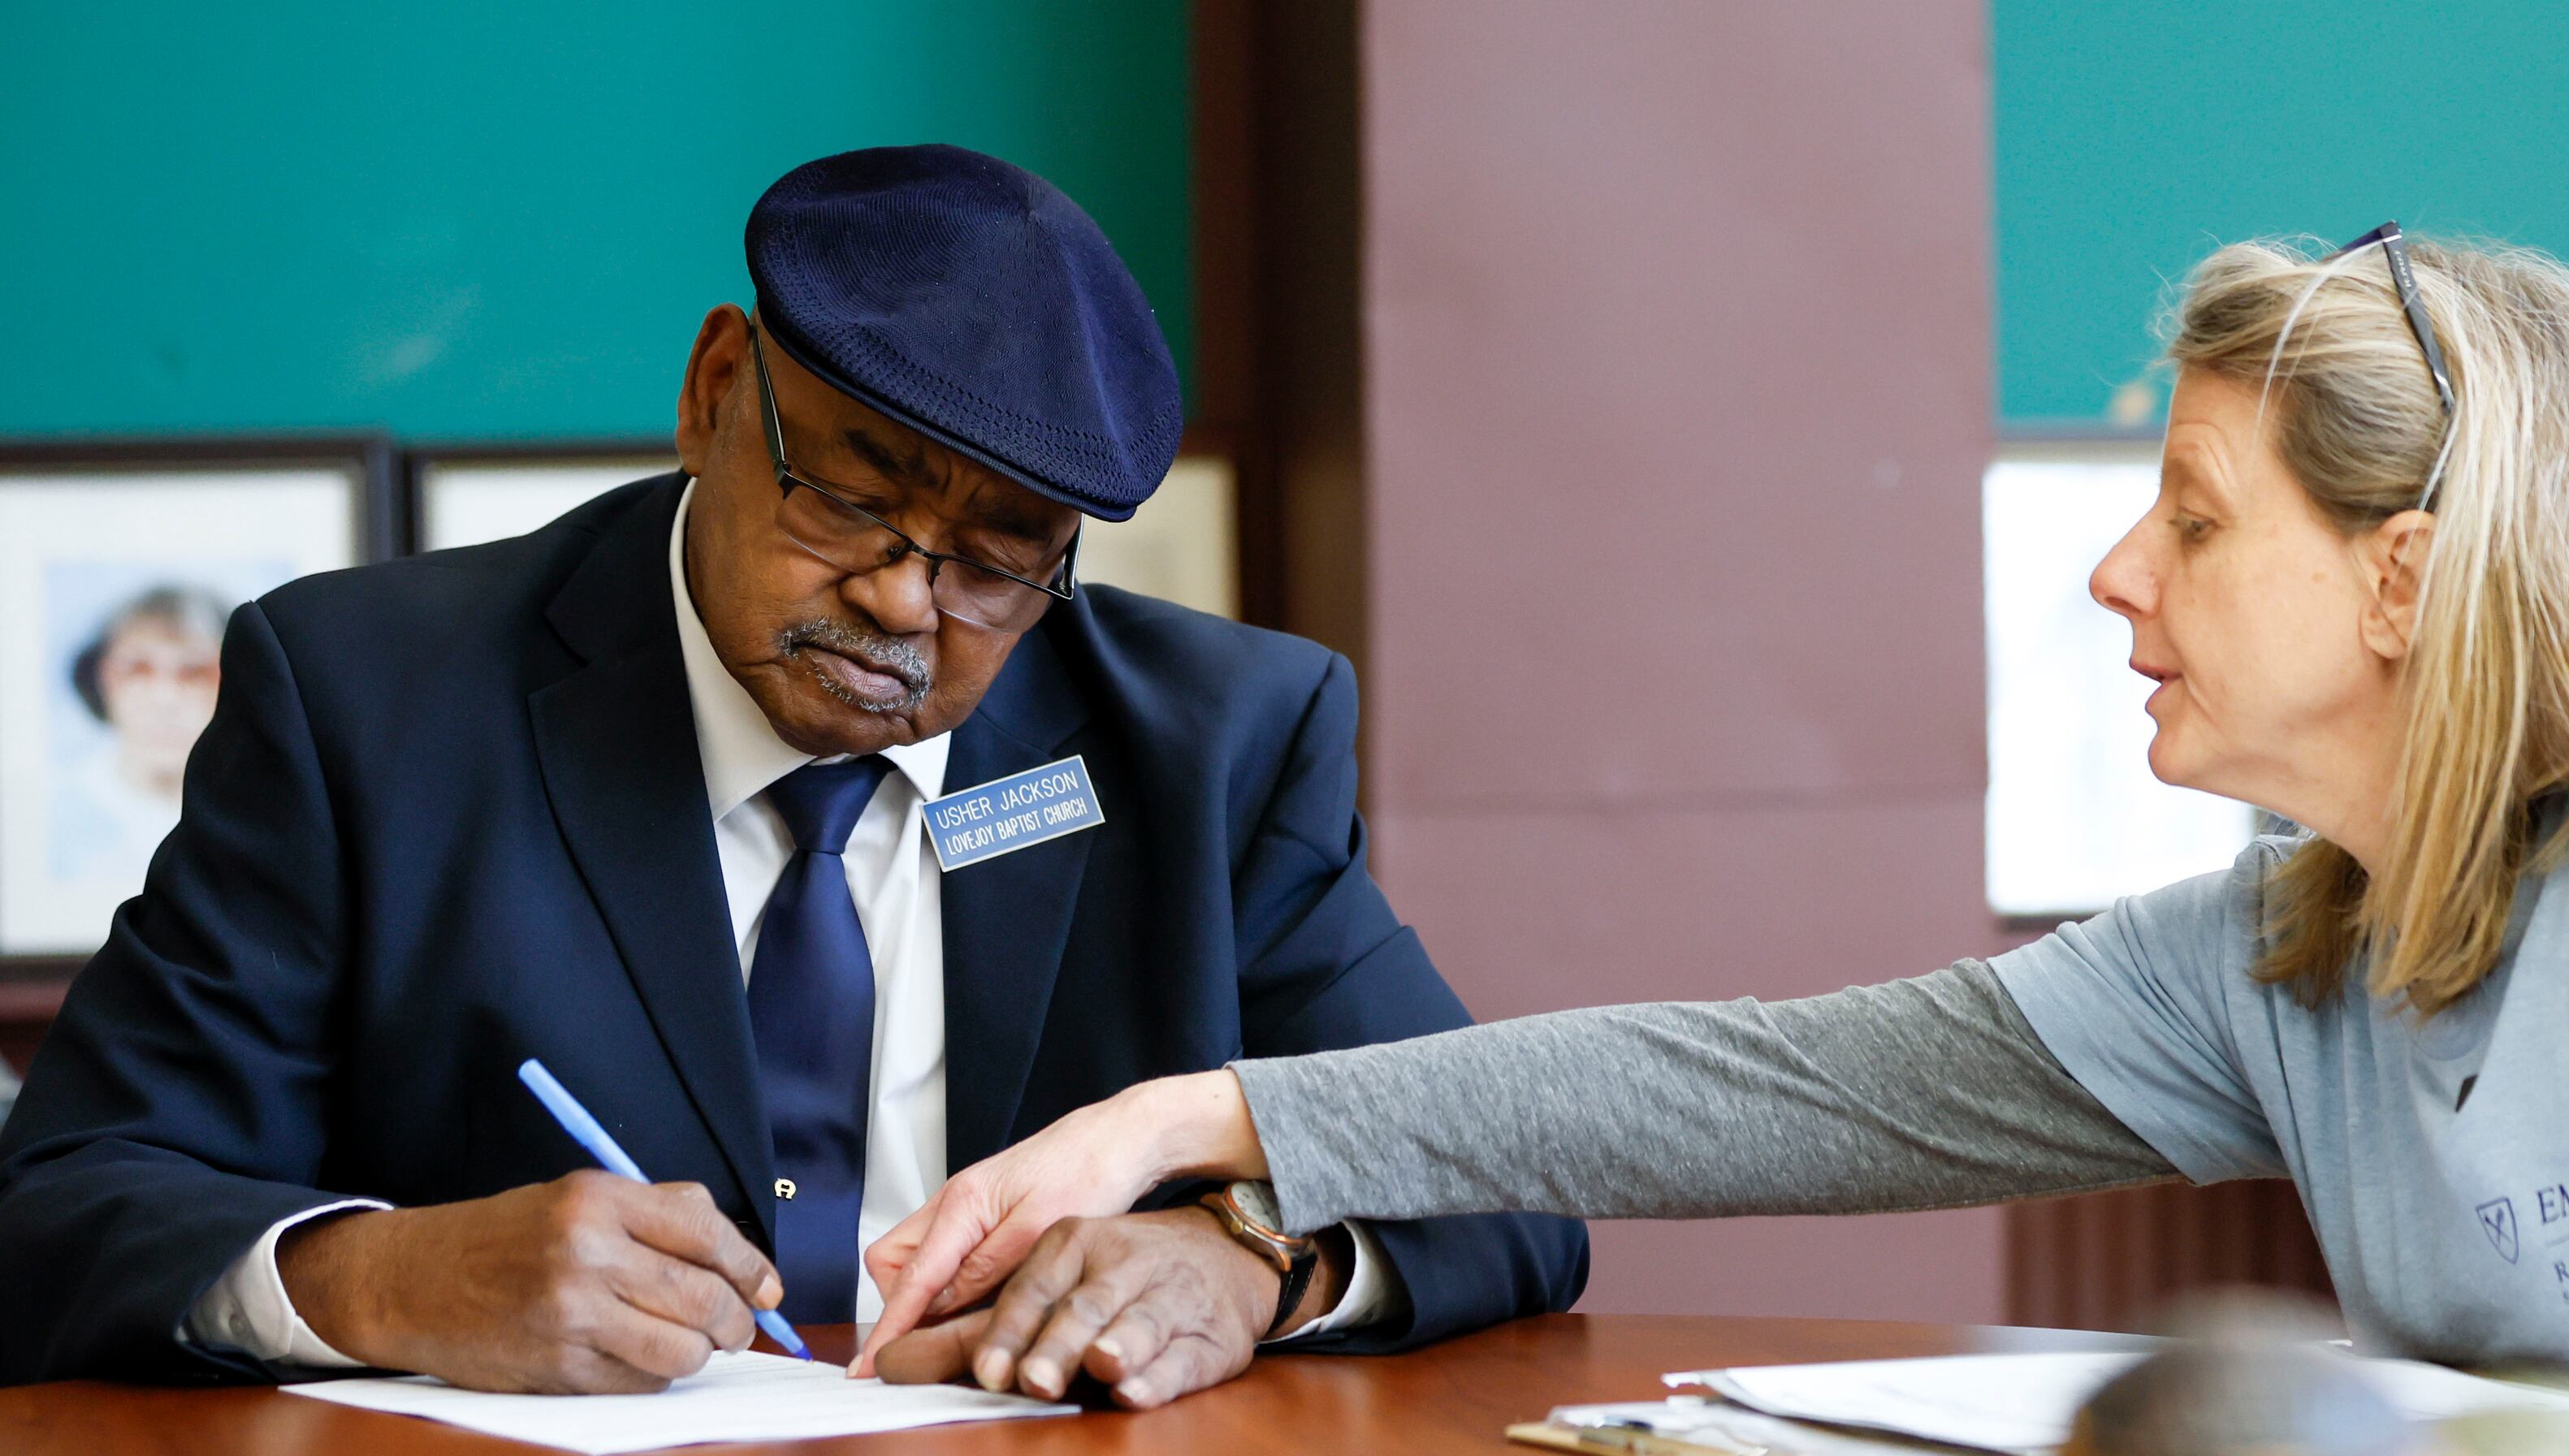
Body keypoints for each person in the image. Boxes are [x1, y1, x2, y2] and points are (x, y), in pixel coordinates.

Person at [852, 229, 2569, 1454]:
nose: (2120, 581)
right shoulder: (2287, 943)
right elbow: (1777, 1086)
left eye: (2197, 522)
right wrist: (1208, 1112)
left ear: (2411, 578)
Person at [0, 145, 1584, 1398]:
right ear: (712, 395)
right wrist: (386, 1278)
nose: (905, 600)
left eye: (995, 561)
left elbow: (1503, 1182)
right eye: (851, 499)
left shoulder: (1215, 744)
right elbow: (61, 1204)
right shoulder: (372, 704)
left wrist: (1249, 1258)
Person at [52, 584, 232, 894]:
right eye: (137, 670)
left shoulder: (263, 816)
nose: (164, 698)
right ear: (101, 682)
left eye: (194, 673)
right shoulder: (55, 816)